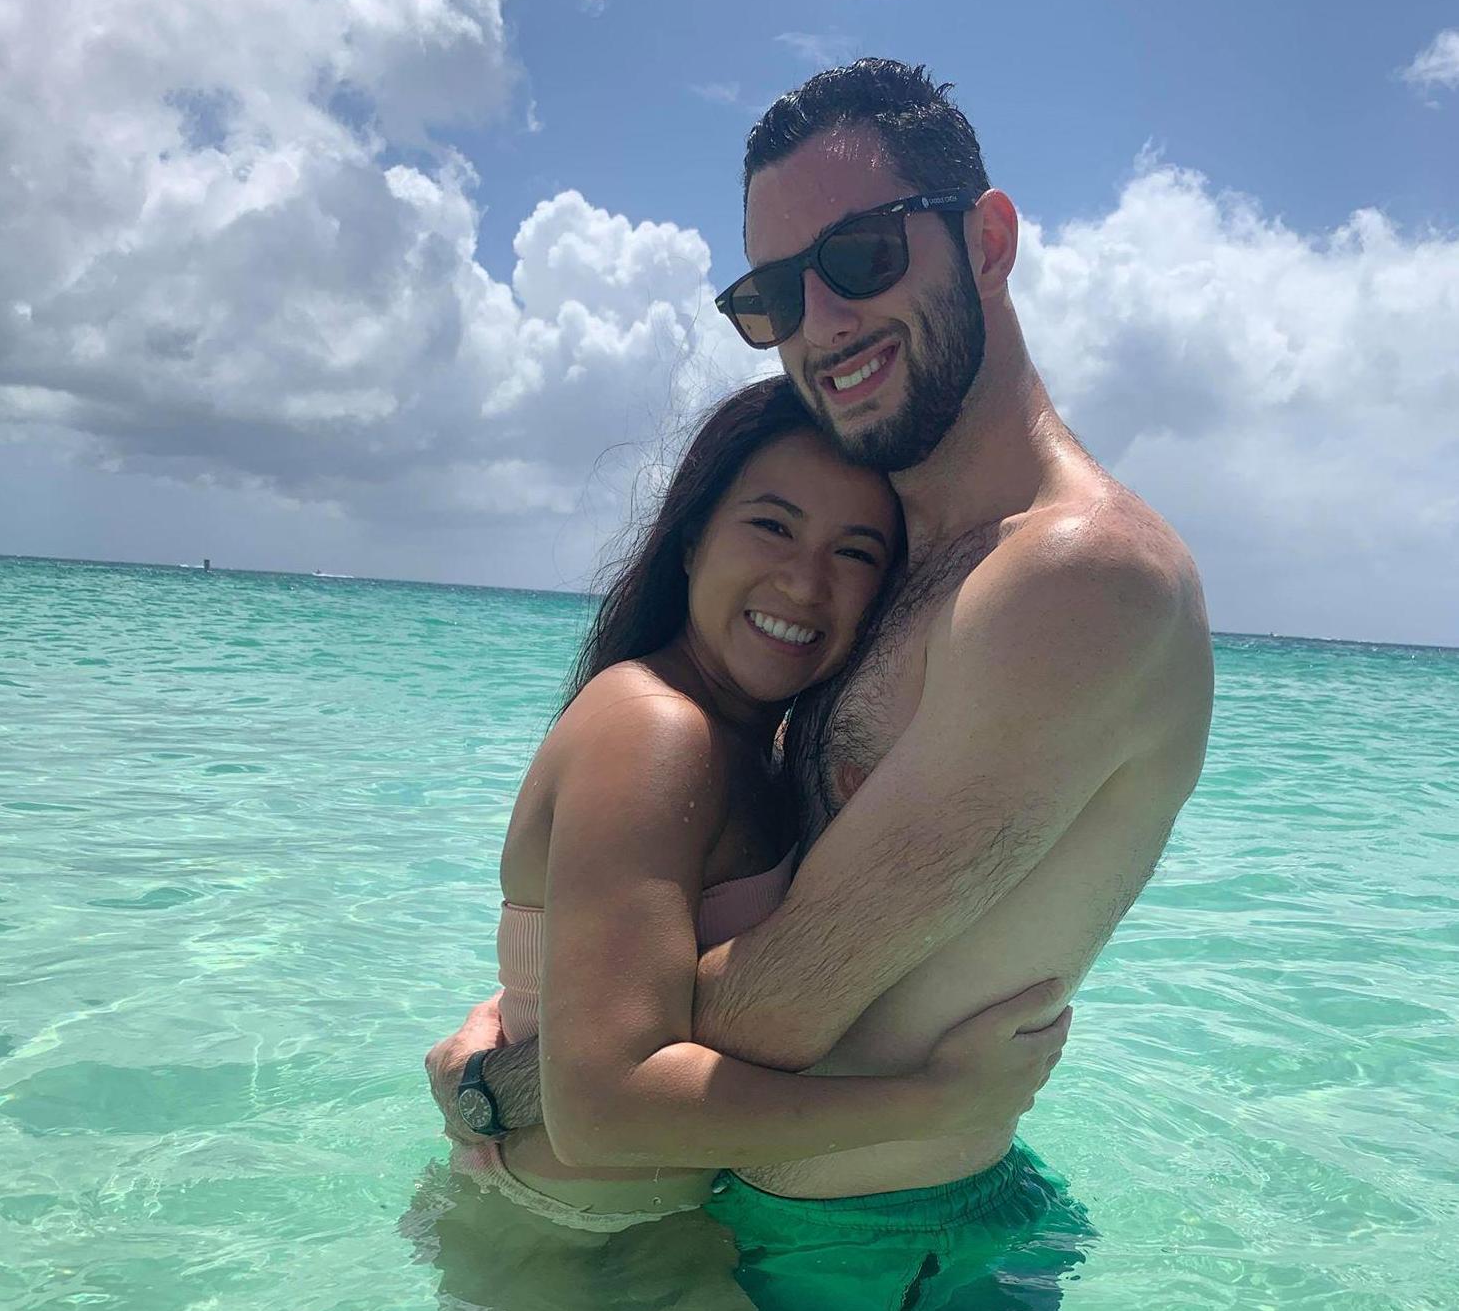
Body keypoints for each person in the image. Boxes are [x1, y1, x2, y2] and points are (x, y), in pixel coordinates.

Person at [428, 58, 1212, 1311]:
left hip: (895, 1266)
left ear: (987, 239)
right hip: (777, 1231)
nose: (820, 325)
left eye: (857, 257)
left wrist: (531, 1077)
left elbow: (787, 994)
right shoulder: (903, 570)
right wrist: (540, 1017)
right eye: (773, 297)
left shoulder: (1074, 581)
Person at [429, 372, 1068, 1234]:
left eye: (855, 553)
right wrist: (938, 1101)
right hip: (559, 1247)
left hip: (629, 1227)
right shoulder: (655, 730)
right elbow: (606, 1110)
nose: (805, 583)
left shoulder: (755, 744)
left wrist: (486, 1084)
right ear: (692, 538)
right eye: (773, 526)